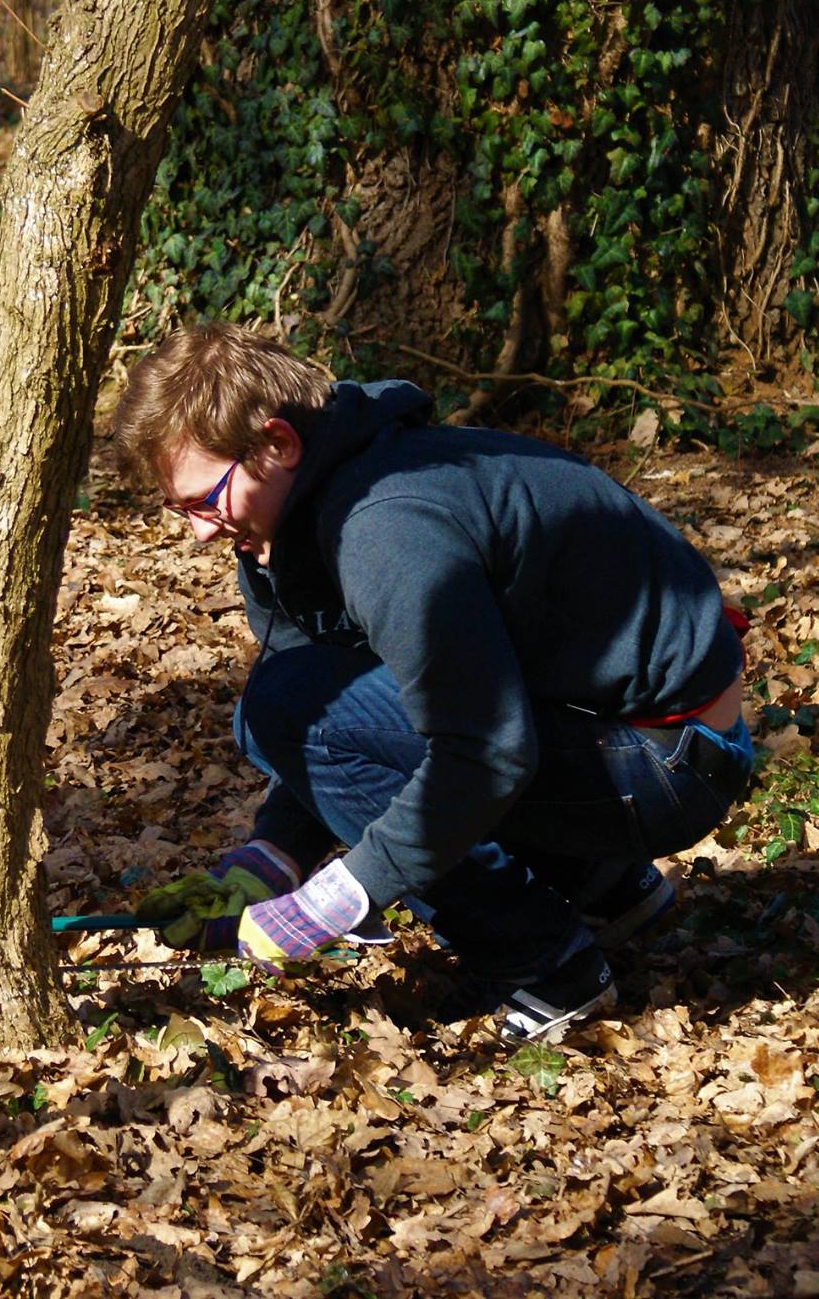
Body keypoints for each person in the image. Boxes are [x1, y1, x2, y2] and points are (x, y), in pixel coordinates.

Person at [117, 325, 753, 1042]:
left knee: (282, 706)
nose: (200, 532)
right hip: (614, 732)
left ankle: (550, 965)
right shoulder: (287, 520)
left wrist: (345, 894)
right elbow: (328, 710)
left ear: (278, 444)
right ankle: (604, 888)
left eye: (205, 500)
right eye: (181, 510)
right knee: (285, 702)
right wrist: (275, 857)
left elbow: (483, 751)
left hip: (668, 761)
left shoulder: (386, 527)